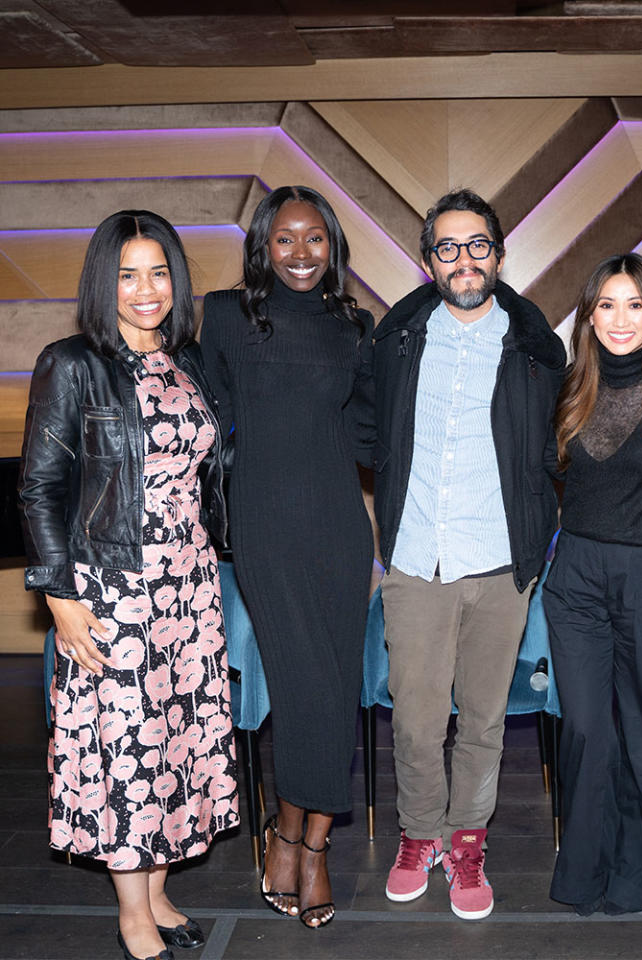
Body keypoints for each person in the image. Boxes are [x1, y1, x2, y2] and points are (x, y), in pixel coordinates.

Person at [19, 210, 239, 960]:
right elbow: (40, 487)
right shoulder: (72, 362)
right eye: (127, 274)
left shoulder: (193, 362)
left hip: (190, 587)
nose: (147, 290)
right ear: (102, 282)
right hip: (112, 588)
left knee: (174, 742)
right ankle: (131, 916)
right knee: (126, 751)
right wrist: (59, 597)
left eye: (158, 272)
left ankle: (158, 891)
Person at [372, 188, 565, 920]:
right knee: (418, 721)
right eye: (448, 248)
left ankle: (466, 839)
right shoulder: (396, 341)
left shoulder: (534, 348)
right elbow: (366, 429)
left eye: (477, 245)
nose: (464, 260)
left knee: (484, 721)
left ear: (499, 253)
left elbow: (557, 448)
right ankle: (419, 836)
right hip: (418, 560)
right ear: (428, 261)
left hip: (498, 564)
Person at [200, 185, 373, 930]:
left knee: (334, 686)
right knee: (306, 688)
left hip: (340, 526)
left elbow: (371, 433)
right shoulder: (224, 315)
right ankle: (303, 845)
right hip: (267, 527)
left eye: (315, 240)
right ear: (263, 246)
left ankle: (302, 835)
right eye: (285, 240)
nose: (301, 254)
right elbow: (198, 417)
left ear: (332, 246)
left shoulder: (354, 325)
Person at [543, 253, 642, 917]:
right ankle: (584, 872)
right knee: (588, 733)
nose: (620, 319)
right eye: (606, 304)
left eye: (635, 305)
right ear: (589, 315)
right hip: (575, 580)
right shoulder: (569, 386)